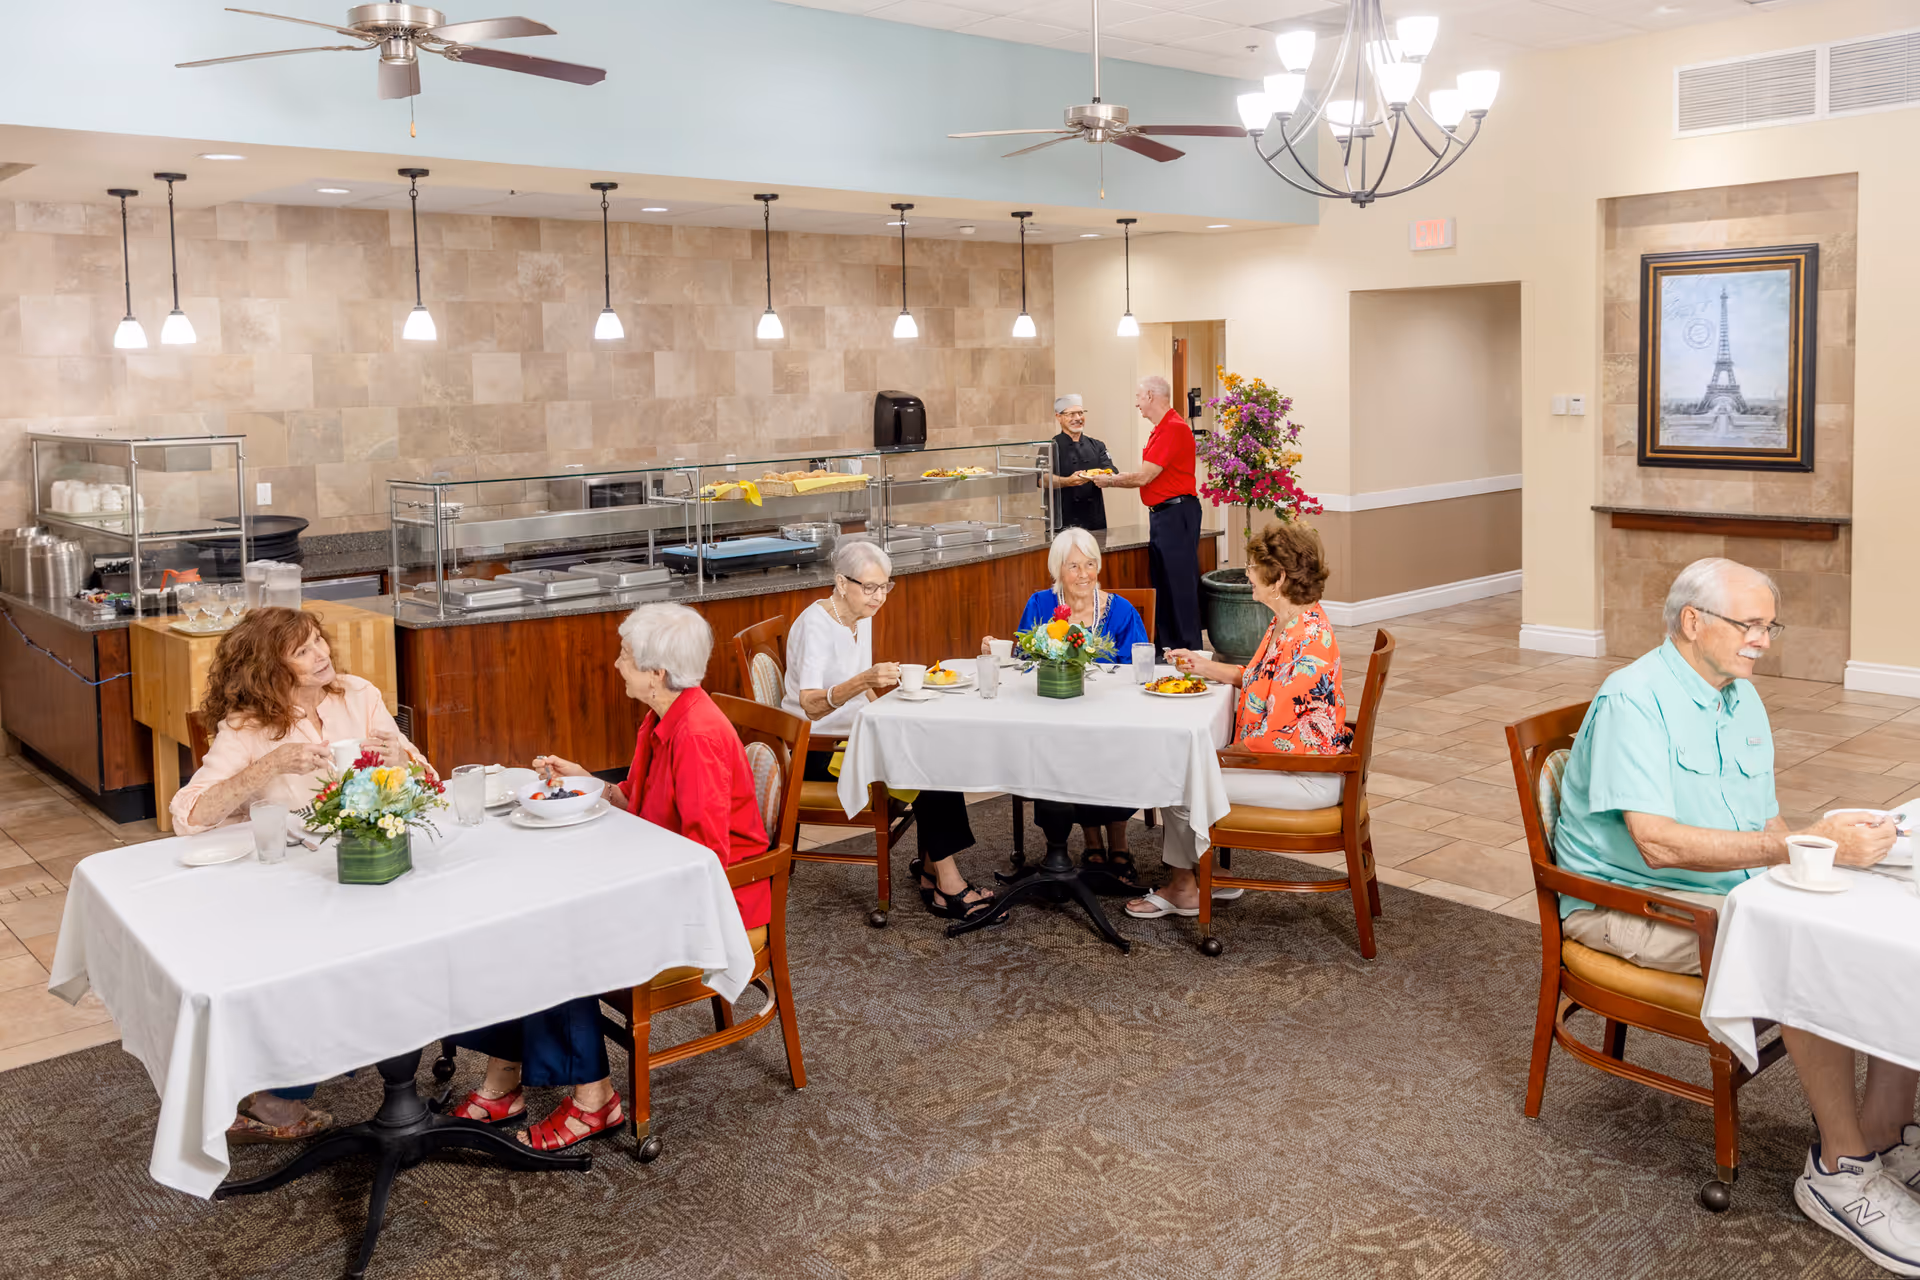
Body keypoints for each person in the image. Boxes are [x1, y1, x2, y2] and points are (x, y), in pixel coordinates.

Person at [1552, 557, 1917, 1273]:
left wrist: (1820, 854)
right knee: (1806, 947)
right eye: (1749, 625)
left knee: (1874, 922)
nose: (1764, 641)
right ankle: (1839, 1170)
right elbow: (1655, 845)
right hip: (1624, 906)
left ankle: (1881, 1133)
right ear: (1694, 623)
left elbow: (1763, 817)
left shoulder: (1736, 695)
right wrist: (1798, 847)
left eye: (1767, 626)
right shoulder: (1634, 699)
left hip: (1723, 890)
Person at [446, 604, 771, 1150]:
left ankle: (595, 1100)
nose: (615, 663)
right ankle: (506, 1078)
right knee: (526, 918)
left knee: (557, 937)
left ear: (656, 674)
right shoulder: (662, 717)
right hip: (670, 879)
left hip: (716, 902)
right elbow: (639, 805)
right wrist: (588, 781)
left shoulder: (697, 736)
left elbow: (704, 858)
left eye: (624, 655)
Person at [172, 606, 431, 1145]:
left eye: (320, 642)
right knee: (329, 974)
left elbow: (426, 781)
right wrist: (268, 766)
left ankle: (344, 1068)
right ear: (269, 668)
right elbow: (189, 816)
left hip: (372, 859)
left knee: (392, 959)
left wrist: (401, 761)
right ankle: (277, 1091)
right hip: (300, 883)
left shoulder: (359, 695)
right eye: (304, 650)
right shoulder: (246, 727)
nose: (323, 656)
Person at [1126, 522, 1350, 921]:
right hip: (1299, 762)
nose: (1246, 573)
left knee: (1179, 775)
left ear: (1278, 578)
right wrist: (1206, 666)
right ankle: (1212, 873)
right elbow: (1260, 679)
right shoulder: (1291, 624)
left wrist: (1216, 755)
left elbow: (1274, 739)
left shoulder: (1307, 641)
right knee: (1191, 765)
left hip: (1306, 775)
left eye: (1252, 567)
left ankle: (1183, 888)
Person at [783, 539, 995, 923]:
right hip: (815, 749)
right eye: (870, 587)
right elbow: (811, 703)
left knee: (935, 748)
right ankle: (947, 883)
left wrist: (881, 701)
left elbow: (859, 687)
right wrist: (865, 682)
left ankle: (934, 868)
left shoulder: (858, 615)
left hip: (854, 735)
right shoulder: (816, 625)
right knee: (923, 761)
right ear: (841, 582)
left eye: (885, 587)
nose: (879, 597)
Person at [981, 527, 1151, 875]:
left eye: (1090, 564)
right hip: (1053, 709)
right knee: (1055, 749)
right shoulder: (1040, 604)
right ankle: (1089, 841)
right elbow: (1023, 661)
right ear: (1057, 569)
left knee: (1114, 747)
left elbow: (1138, 668)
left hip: (1108, 714)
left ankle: (1118, 839)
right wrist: (994, 650)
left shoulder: (1120, 611)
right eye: (1073, 566)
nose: (1084, 574)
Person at [1093, 375, 1201, 651]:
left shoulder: (1173, 429)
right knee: (1164, 585)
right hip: (1163, 515)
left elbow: (1145, 477)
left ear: (1151, 396)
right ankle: (1168, 650)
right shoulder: (1161, 429)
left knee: (1179, 586)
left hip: (1177, 514)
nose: (1137, 404)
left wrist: (1110, 480)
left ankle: (1189, 650)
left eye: (1139, 397)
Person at [1046, 393, 1115, 532]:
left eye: (1080, 413)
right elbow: (1042, 479)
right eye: (1071, 414)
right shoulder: (1049, 447)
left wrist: (1106, 478)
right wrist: (1067, 481)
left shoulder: (1097, 445)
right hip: (1063, 519)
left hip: (1094, 519)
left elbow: (1111, 469)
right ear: (1058, 417)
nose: (1077, 418)